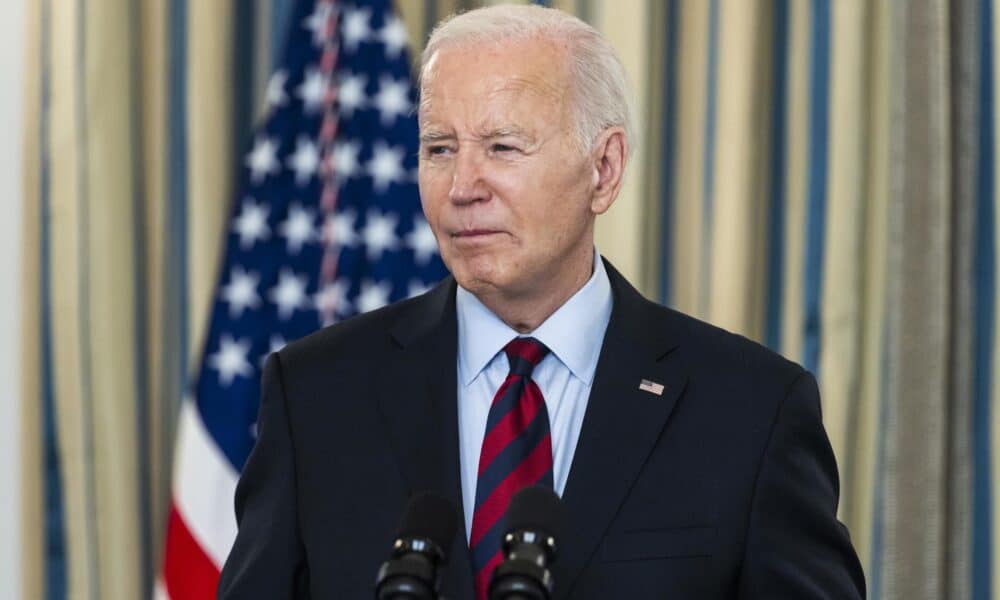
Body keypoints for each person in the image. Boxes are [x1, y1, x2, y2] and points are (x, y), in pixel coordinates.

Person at [218, 5, 866, 599]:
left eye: (502, 147)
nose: (463, 186)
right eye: (439, 149)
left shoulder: (751, 413)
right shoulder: (316, 396)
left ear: (603, 169)